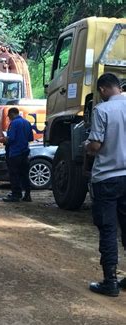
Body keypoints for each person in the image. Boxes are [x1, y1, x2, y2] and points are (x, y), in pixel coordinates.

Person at [85, 73, 126, 297]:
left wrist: (86, 145)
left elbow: (96, 145)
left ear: (102, 90)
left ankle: (110, 281)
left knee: (109, 229)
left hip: (107, 178)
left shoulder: (102, 110)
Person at [3, 107, 33, 202]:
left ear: (11, 114)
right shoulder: (27, 123)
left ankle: (16, 195)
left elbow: (11, 138)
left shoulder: (14, 123)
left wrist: (6, 139)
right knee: (24, 174)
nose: (9, 118)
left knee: (14, 174)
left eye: (9, 116)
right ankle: (27, 195)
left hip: (15, 153)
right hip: (25, 152)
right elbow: (30, 138)